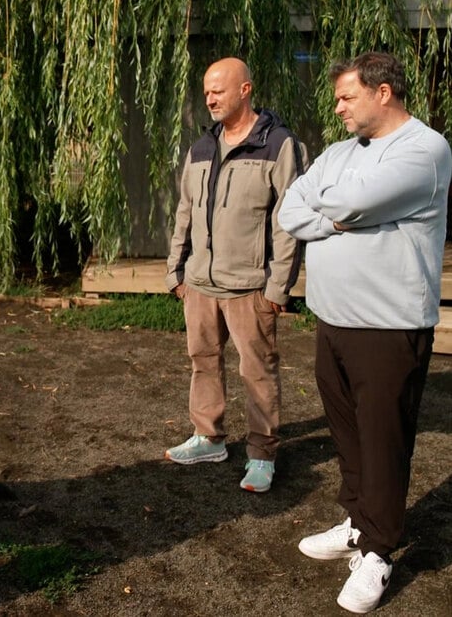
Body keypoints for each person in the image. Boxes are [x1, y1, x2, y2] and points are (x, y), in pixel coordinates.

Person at [278, 52, 451, 614]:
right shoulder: (337, 152)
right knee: (347, 433)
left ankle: (379, 550)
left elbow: (352, 199)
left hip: (388, 325)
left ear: (383, 93)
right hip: (333, 318)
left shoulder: (425, 149)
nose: (338, 107)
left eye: (347, 97)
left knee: (384, 439)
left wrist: (334, 210)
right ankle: (357, 520)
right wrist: (338, 217)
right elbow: (291, 208)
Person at [164, 57, 306, 493]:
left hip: (250, 288)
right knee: (203, 362)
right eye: (207, 90)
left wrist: (278, 286)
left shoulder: (279, 145)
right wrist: (177, 271)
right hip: (200, 284)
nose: (210, 98)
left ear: (245, 90)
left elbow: (288, 221)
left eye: (219, 90)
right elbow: (184, 212)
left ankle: (262, 454)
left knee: (257, 370)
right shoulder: (200, 148)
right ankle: (208, 437)